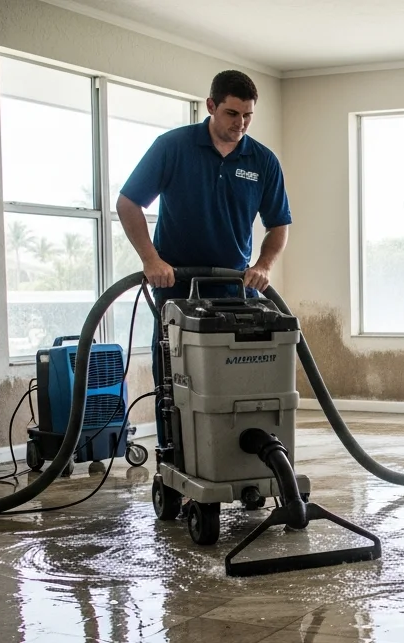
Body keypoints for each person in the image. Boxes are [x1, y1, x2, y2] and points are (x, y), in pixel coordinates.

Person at [117, 69, 291, 445]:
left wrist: (262, 266)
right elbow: (128, 203)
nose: (240, 123)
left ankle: (234, 456)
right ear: (211, 106)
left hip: (235, 290)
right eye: (232, 113)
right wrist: (151, 260)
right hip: (176, 287)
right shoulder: (173, 147)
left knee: (238, 378)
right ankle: (174, 457)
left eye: (247, 116)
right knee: (174, 379)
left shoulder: (262, 161)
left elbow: (279, 226)